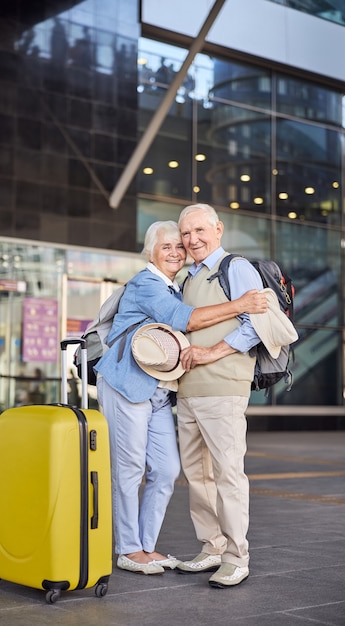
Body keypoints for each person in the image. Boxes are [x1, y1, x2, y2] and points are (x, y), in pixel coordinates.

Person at [94, 220, 267, 575]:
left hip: (158, 392)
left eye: (179, 246)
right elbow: (183, 320)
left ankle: (146, 546)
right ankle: (128, 549)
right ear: (151, 252)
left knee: (168, 469)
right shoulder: (146, 284)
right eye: (166, 247)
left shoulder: (175, 286)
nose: (175, 251)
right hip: (127, 385)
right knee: (128, 470)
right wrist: (240, 305)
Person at [175, 203, 264, 588]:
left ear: (218, 229)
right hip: (188, 390)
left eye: (199, 231)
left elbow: (256, 324)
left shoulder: (235, 268)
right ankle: (211, 547)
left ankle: (236, 556)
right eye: (185, 233)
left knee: (228, 473)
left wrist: (211, 353)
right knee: (198, 476)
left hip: (223, 388)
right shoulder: (185, 277)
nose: (192, 239)